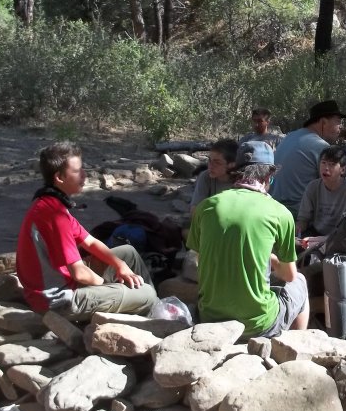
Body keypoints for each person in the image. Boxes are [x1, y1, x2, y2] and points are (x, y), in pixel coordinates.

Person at [16, 142, 159, 320]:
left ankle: (154, 308)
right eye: (77, 171)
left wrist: (120, 266)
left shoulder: (53, 203)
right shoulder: (53, 215)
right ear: (59, 177)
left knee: (128, 253)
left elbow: (90, 242)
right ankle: (153, 315)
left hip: (65, 281)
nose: (84, 175)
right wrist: (107, 287)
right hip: (57, 300)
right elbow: (79, 273)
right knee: (147, 294)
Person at [187, 141, 309, 338]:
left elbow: (201, 262)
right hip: (259, 324)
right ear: (269, 176)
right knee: (300, 281)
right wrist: (272, 259)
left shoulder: (206, 206)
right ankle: (296, 345)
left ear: (236, 171)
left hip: (209, 317)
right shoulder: (281, 213)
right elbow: (289, 276)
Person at [271, 99, 346, 218]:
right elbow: (337, 189)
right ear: (323, 122)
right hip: (296, 215)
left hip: (272, 208)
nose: (341, 127)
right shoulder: (321, 147)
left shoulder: (290, 137)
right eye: (338, 122)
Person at [297, 146, 346, 237]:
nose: (326, 168)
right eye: (323, 163)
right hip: (314, 233)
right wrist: (295, 232)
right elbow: (303, 220)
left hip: (339, 237)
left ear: (343, 170)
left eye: (332, 164)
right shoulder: (313, 187)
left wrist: (326, 240)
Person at [190, 138, 238, 213]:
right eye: (209, 160)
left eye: (217, 162)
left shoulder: (243, 181)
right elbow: (195, 210)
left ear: (231, 165)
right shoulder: (206, 176)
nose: (210, 166)